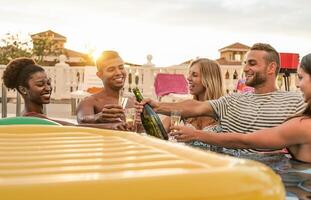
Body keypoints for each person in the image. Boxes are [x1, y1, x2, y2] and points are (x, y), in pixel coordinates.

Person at [136, 43, 305, 148]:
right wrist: (158, 106)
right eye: (245, 63)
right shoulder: (233, 100)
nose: (245, 69)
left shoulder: (295, 101)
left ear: (271, 68)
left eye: (252, 64)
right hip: (232, 171)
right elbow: (196, 106)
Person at [170, 53, 311, 163]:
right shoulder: (303, 122)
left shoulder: (303, 125)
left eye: (301, 77)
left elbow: (245, 141)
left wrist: (196, 134)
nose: (298, 84)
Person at [2, 57, 128, 129]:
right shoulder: (31, 119)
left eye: (49, 83)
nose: (48, 88)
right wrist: (111, 125)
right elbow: (74, 128)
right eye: (40, 84)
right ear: (23, 89)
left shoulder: (33, 116)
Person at [162, 58, 224, 149]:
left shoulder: (225, 108)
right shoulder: (184, 107)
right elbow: (158, 132)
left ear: (209, 79)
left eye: (194, 75)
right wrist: (140, 126)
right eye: (189, 74)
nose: (188, 78)